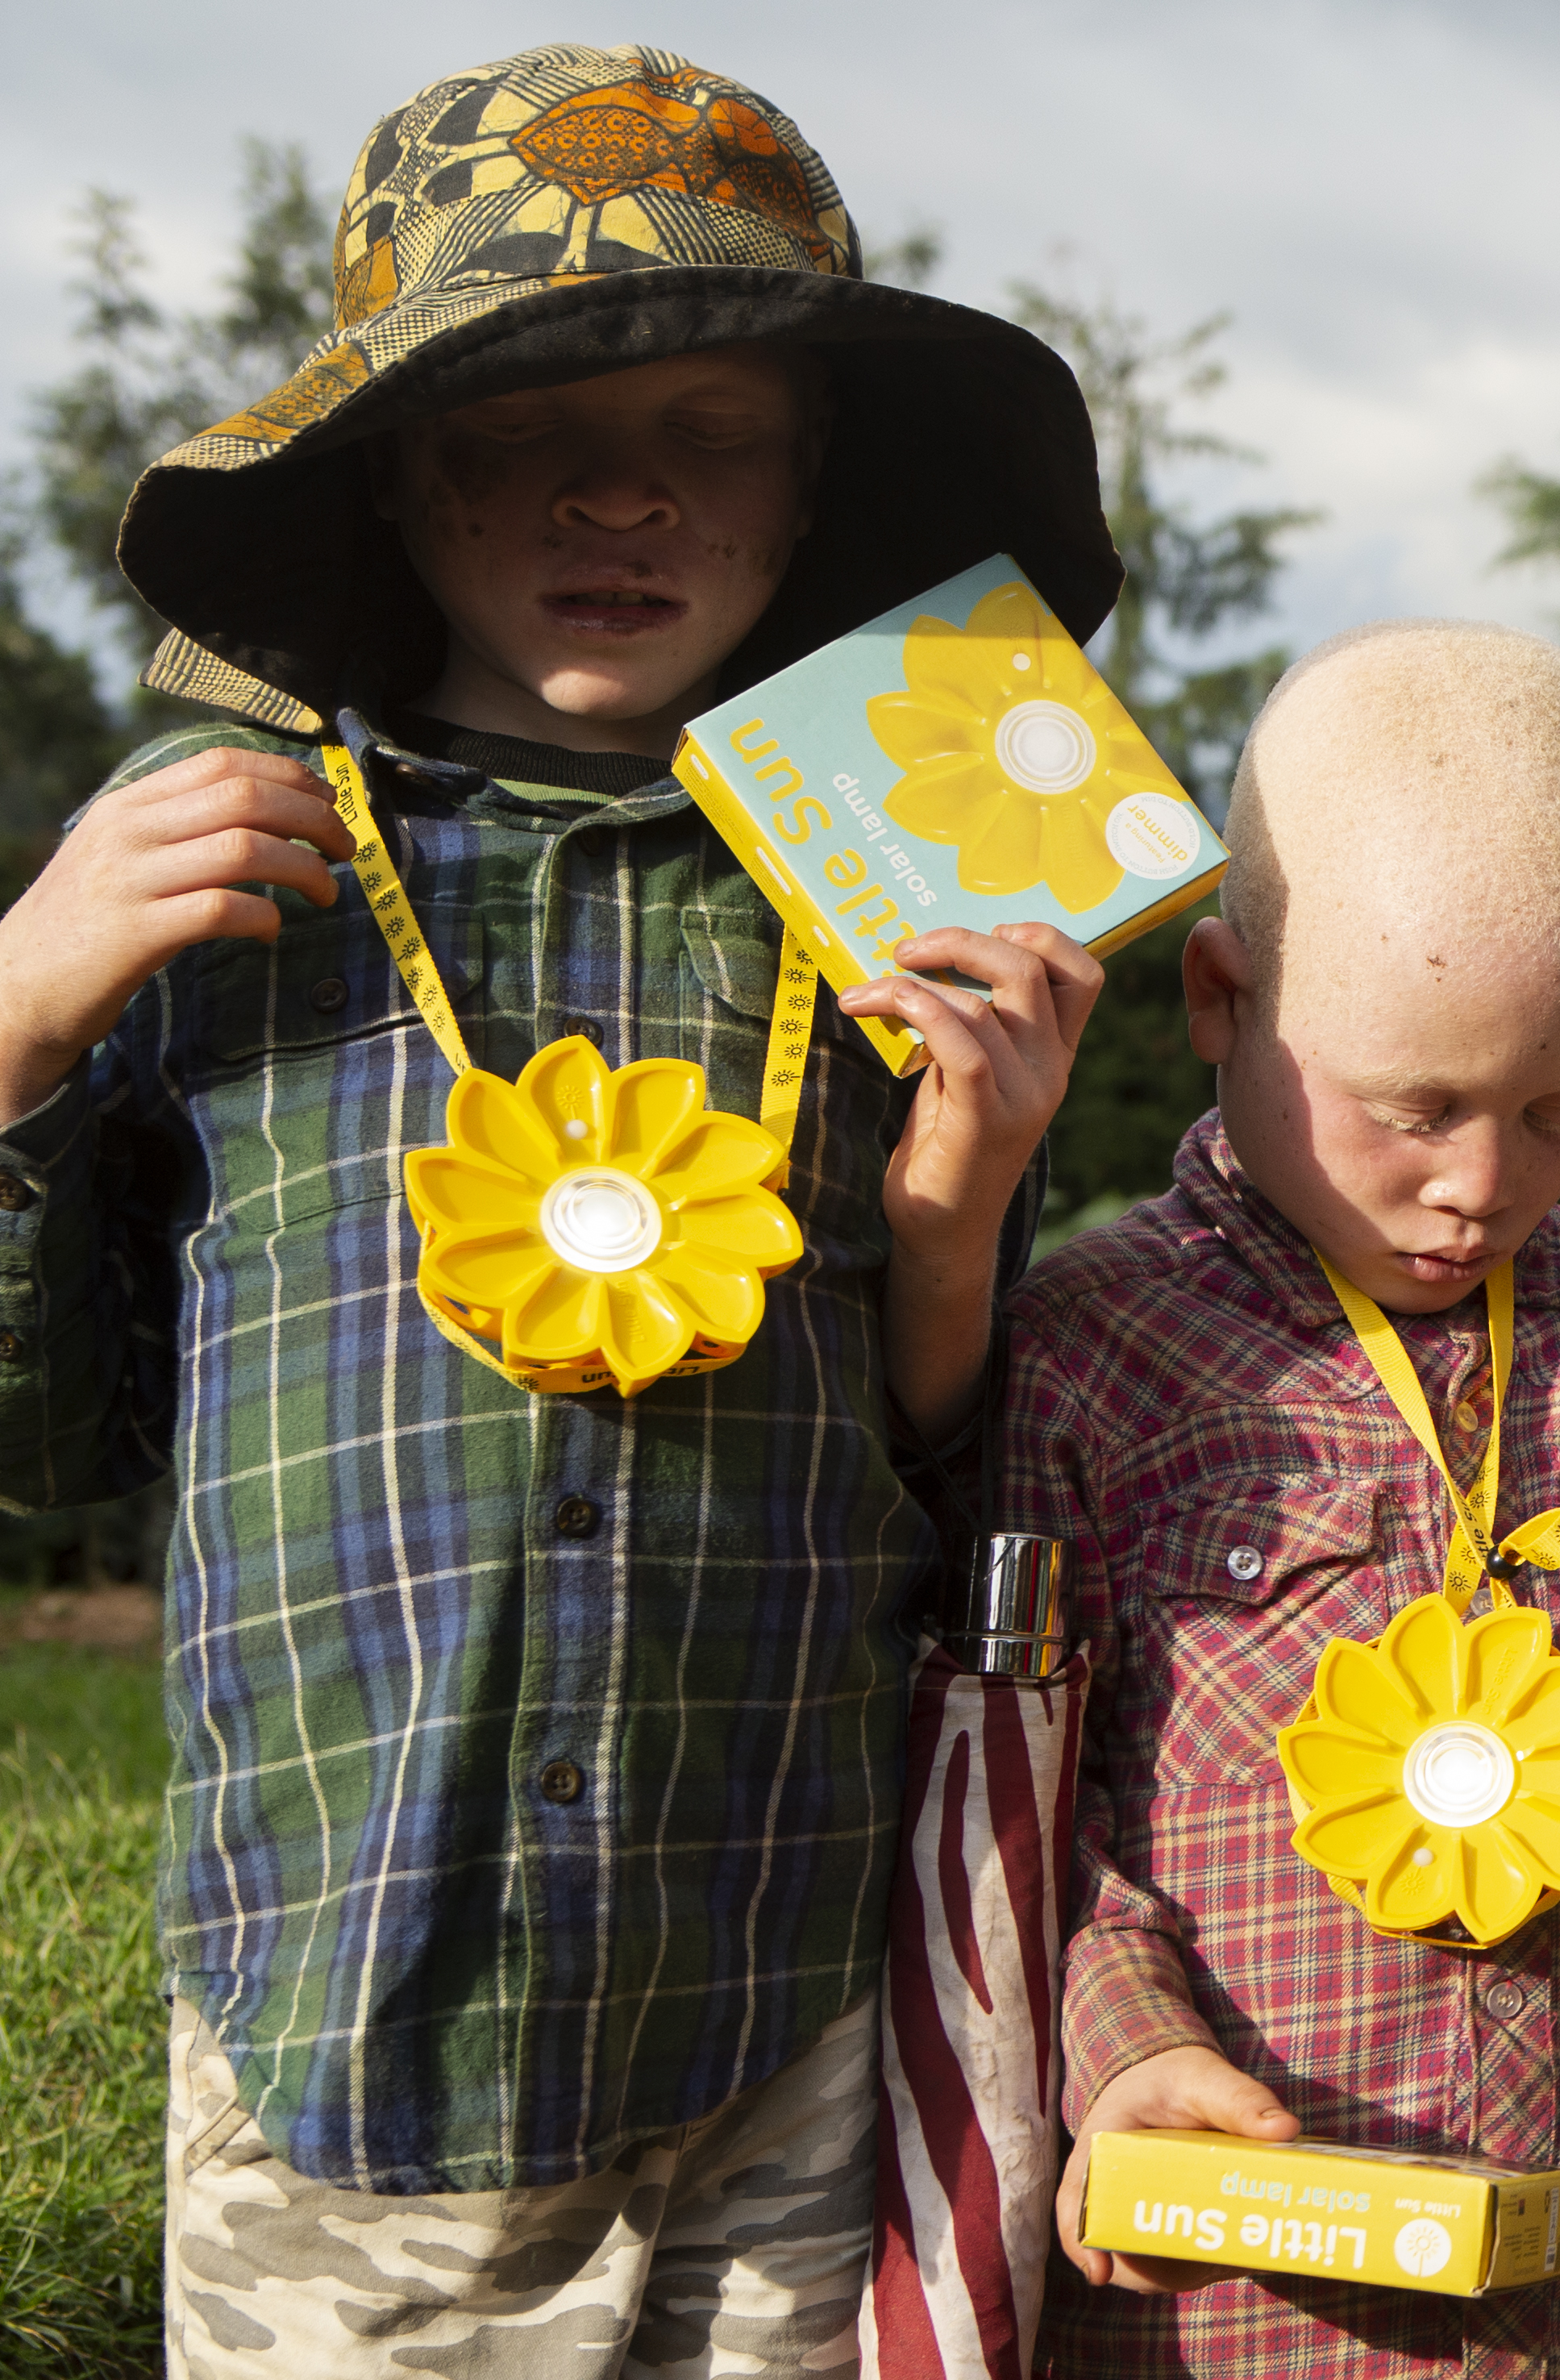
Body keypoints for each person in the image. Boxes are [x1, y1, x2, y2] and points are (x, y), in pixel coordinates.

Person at [0, 44, 1117, 2375]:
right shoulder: (216, 864)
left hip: (779, 2005)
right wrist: (12, 1027)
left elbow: (943, 1471)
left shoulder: (898, 886)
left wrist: (956, 1221)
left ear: (809, 492)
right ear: (401, 488)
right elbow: (40, 1448)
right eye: (521, 434)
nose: (620, 491)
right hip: (362, 2018)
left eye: (710, 431)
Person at [1017, 622, 1560, 2378]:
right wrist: (1123, 2047)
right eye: (1416, 1108)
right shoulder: (1090, 1350)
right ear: (1221, 997)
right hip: (1236, 2310)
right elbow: (1022, 1808)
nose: (1480, 1185)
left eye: (1558, 1111)